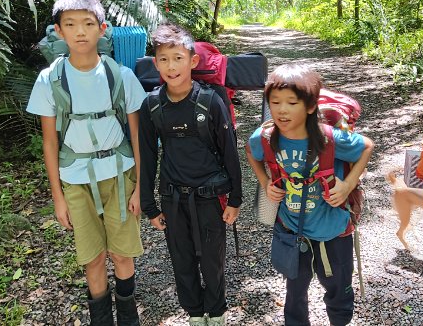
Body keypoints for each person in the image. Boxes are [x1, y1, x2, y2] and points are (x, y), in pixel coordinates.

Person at [27, 0, 147, 325]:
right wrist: (58, 197)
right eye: (70, 24)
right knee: (92, 258)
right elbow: (49, 142)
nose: (80, 31)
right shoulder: (50, 80)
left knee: (122, 254)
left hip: (120, 176)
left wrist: (141, 187)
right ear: (58, 31)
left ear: (102, 28)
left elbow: (138, 135)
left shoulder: (121, 76)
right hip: (75, 181)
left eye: (88, 23)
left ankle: (128, 318)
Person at [246, 63, 374, 326]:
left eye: (292, 102)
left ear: (311, 106)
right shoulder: (266, 137)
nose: (282, 110)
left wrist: (347, 185)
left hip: (333, 230)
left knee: (338, 289)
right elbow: (251, 151)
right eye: (275, 102)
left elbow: (366, 146)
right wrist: (265, 182)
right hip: (291, 228)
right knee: (294, 291)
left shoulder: (330, 138)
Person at [138, 23, 242, 326]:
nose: (171, 66)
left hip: (210, 197)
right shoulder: (152, 105)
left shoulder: (210, 101)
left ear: (193, 60)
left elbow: (229, 151)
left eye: (178, 58)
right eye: (164, 59)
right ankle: (195, 314)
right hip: (173, 197)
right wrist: (149, 206)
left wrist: (235, 199)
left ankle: (217, 313)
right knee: (181, 260)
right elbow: (147, 155)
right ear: (156, 63)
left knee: (212, 259)